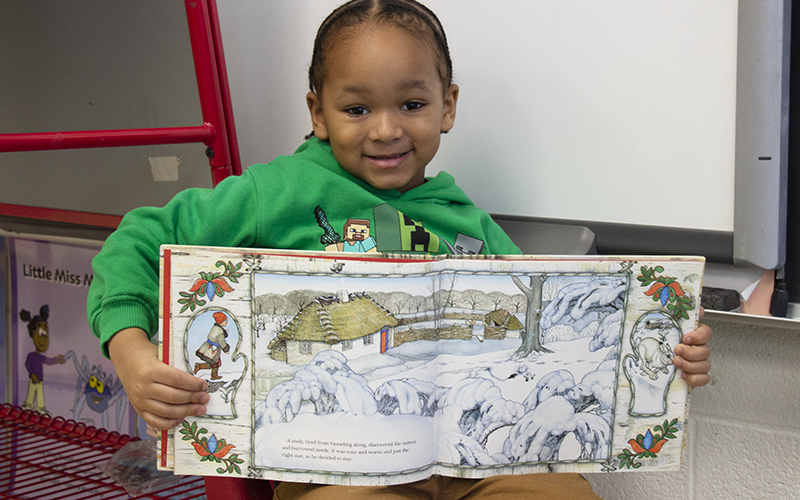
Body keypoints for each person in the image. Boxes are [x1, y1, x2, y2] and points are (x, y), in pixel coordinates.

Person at [87, 1, 713, 498]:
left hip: (481, 453)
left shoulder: (462, 215)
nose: (386, 129)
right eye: (356, 108)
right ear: (319, 112)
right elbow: (137, 242)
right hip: (337, 467)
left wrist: (664, 355)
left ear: (448, 107)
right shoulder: (270, 193)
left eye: (412, 104)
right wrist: (132, 352)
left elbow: (544, 317)